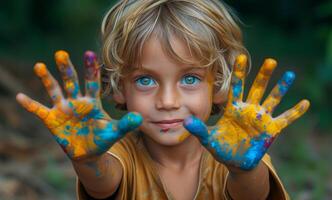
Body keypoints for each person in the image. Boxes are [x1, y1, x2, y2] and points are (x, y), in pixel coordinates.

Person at [16, 0, 310, 199]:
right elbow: (102, 183)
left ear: (219, 84)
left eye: (190, 79)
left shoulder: (238, 148)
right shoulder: (120, 155)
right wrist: (89, 160)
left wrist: (243, 169)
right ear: (119, 87)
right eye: (145, 80)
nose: (167, 101)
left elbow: (252, 194)